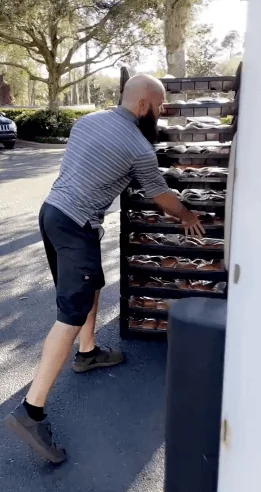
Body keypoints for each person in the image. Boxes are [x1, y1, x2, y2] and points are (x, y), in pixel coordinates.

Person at [4, 74, 205, 463]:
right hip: (76, 224)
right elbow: (160, 195)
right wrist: (186, 213)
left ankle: (88, 351)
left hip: (53, 214)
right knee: (70, 313)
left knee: (92, 281)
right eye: (160, 107)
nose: (161, 114)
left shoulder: (89, 120)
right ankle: (32, 412)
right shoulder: (138, 146)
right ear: (145, 105)